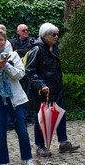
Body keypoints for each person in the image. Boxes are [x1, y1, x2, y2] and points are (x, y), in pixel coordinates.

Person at [0, 28, 37, 165]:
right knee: (0, 133)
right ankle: (2, 163)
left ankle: (28, 159)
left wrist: (6, 65)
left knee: (22, 130)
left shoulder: (13, 55)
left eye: (1, 39)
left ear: (5, 41)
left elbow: (20, 75)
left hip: (15, 99)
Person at [25, 23, 79, 157]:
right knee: (41, 117)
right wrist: (41, 85)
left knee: (60, 113)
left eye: (57, 34)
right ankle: (40, 145)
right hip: (43, 91)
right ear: (44, 35)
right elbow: (30, 71)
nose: (56, 37)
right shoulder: (37, 50)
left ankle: (63, 143)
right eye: (53, 34)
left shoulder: (54, 48)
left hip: (56, 88)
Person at [10, 23, 37, 123]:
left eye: (27, 30)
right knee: (19, 92)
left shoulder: (32, 41)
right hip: (17, 71)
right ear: (18, 32)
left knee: (30, 93)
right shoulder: (12, 42)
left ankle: (31, 116)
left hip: (29, 71)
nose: (26, 32)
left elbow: (32, 53)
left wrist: (18, 52)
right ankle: (20, 116)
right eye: (23, 30)